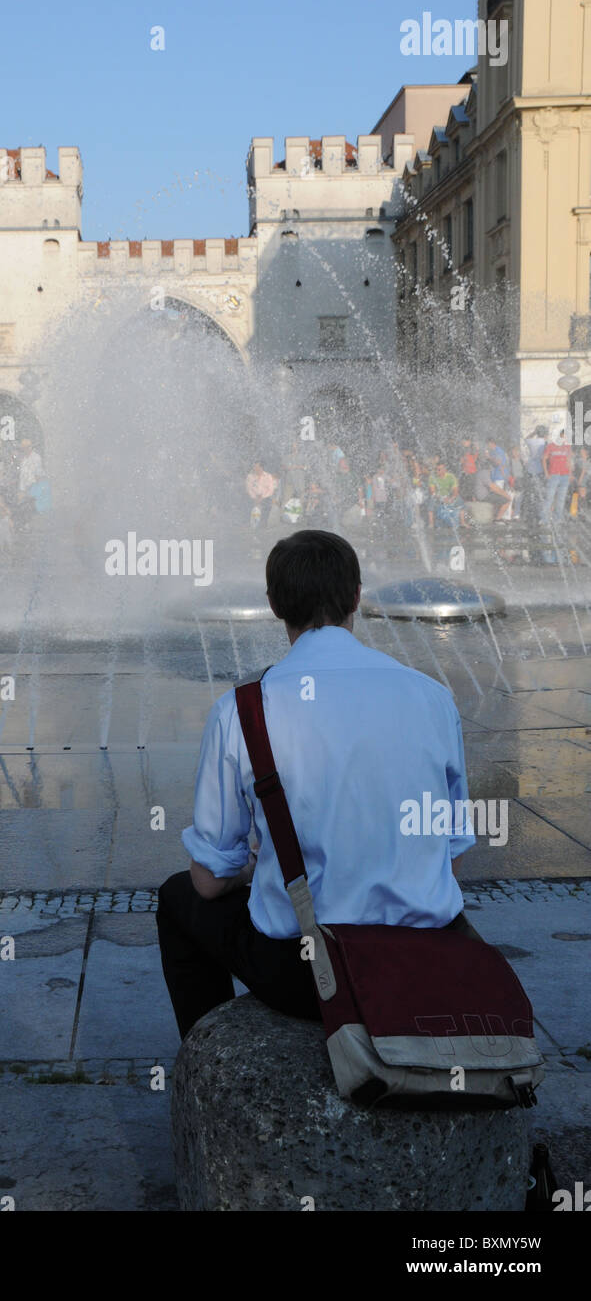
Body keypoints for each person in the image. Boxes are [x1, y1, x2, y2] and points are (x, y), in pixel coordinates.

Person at [156, 529, 477, 1041]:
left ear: (274, 605)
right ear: (356, 597)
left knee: (177, 899)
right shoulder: (432, 697)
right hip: (423, 958)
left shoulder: (243, 710)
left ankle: (212, 1052)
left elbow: (209, 881)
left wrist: (253, 872)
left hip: (309, 975)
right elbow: (452, 856)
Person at [542, 431, 573, 521]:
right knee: (549, 497)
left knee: (561, 499)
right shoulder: (550, 446)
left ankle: (558, 519)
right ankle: (544, 519)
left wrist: (570, 474)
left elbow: (569, 461)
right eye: (563, 437)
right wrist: (546, 473)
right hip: (554, 475)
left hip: (565, 476)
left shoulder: (567, 447)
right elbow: (544, 459)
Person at [245, 461, 278, 529]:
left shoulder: (268, 476)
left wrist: (262, 497)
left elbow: (271, 490)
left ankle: (264, 522)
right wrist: (254, 497)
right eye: (254, 467)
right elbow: (249, 488)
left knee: (268, 504)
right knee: (246, 502)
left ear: (261, 467)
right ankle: (249, 522)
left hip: (265, 496)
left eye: (257, 467)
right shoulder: (250, 476)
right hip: (253, 496)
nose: (255, 468)